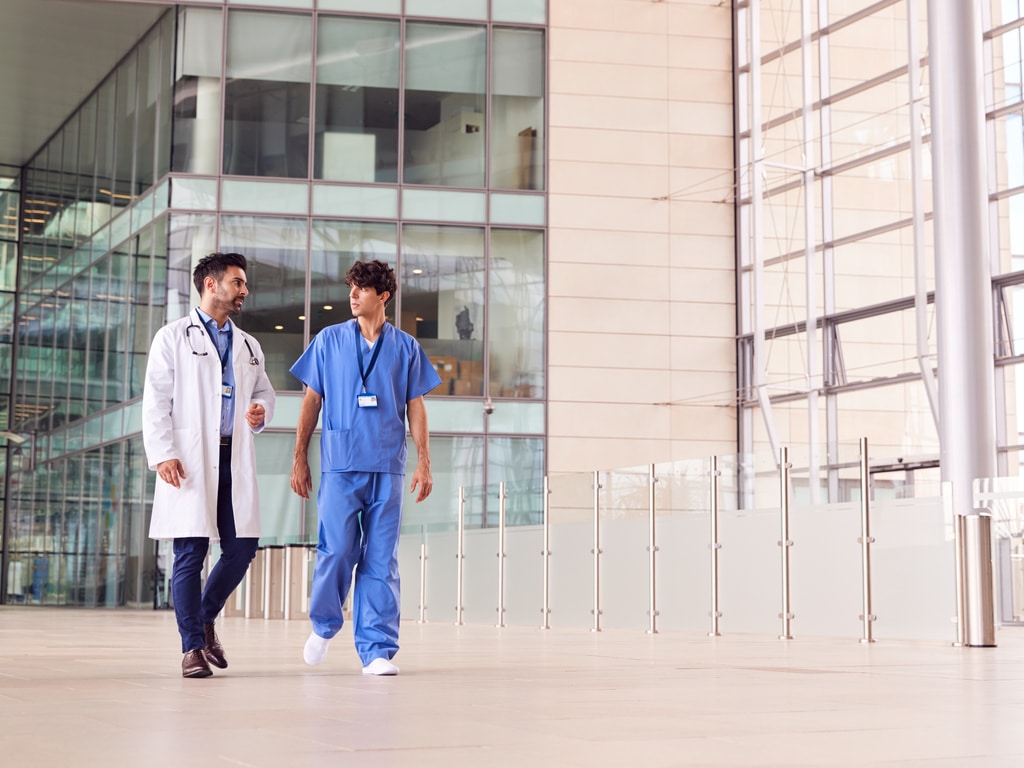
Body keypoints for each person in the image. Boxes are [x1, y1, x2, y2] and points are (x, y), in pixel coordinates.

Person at [290, 259, 441, 676]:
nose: (353, 295)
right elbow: (310, 401)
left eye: (361, 289)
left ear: (384, 295)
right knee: (337, 549)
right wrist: (300, 457)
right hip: (341, 465)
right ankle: (323, 625)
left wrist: (424, 462)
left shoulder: (406, 347)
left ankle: (375, 649)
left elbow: (416, 406)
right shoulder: (328, 340)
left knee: (380, 559)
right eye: (351, 288)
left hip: (387, 466)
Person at [142, 252, 276, 678]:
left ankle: (204, 616)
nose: (244, 291)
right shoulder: (172, 337)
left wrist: (259, 411)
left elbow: (265, 395)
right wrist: (163, 452)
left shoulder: (250, 345)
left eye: (244, 283)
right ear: (211, 285)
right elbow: (156, 401)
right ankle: (192, 649)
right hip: (189, 459)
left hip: (231, 454)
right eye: (237, 282)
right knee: (190, 551)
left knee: (241, 547)